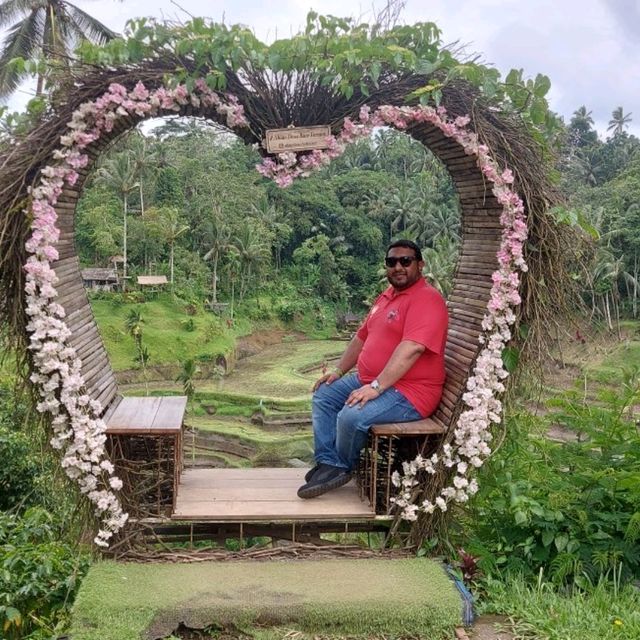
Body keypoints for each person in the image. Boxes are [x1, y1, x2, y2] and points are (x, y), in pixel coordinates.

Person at [297, 239, 448, 499]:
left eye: (405, 261)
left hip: (410, 393)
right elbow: (361, 337)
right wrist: (338, 371)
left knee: (351, 415)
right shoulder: (387, 296)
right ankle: (327, 461)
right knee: (325, 393)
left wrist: (376, 387)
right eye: (391, 262)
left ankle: (342, 467)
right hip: (371, 381)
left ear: (420, 265)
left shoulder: (427, 300)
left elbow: (412, 348)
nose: (398, 267)